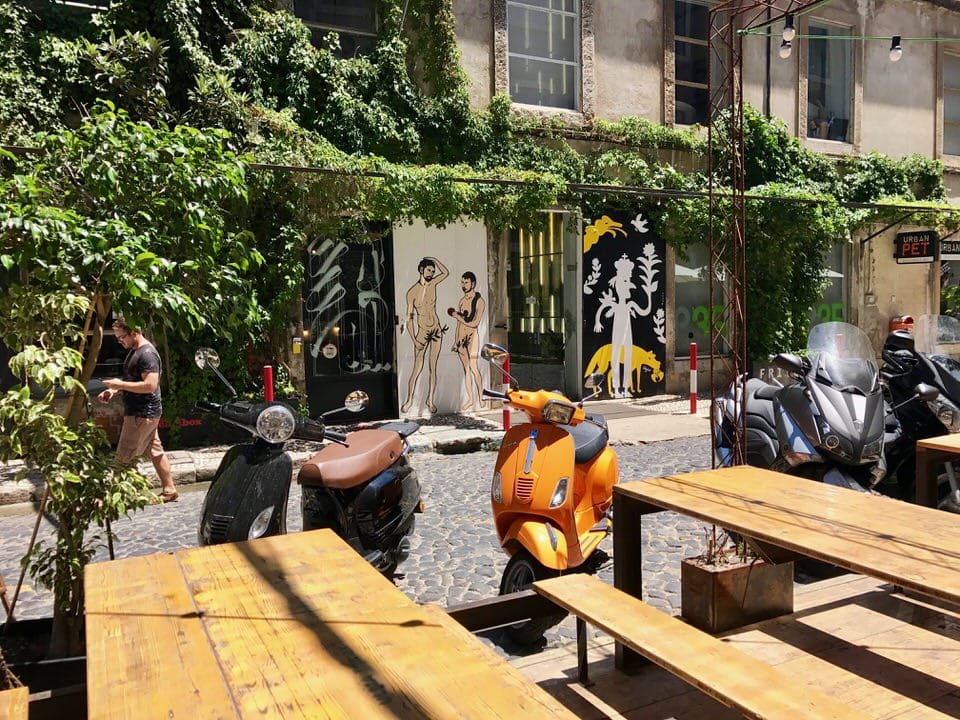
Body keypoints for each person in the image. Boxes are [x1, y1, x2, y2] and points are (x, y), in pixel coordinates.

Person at [97, 319, 177, 503]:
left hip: (142, 413)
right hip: (144, 412)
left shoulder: (147, 355)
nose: (119, 342)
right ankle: (169, 490)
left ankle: (108, 499)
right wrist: (113, 390)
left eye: (121, 337)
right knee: (155, 451)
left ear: (134, 333)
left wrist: (119, 385)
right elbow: (132, 380)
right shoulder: (135, 351)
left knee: (123, 457)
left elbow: (150, 385)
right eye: (117, 338)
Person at [401, 256, 449, 414]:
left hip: (436, 329)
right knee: (417, 367)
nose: (431, 273)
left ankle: (430, 399)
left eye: (433, 271)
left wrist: (434, 259)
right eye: (429, 270)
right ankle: (409, 400)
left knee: (433, 367)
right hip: (422, 331)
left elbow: (446, 272)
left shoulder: (432, 284)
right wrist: (414, 339)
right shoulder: (412, 292)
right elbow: (409, 318)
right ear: (421, 270)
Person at [448, 271, 486, 411]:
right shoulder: (462, 301)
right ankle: (470, 399)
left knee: (474, 368)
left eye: (466, 282)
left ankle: (481, 397)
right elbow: (459, 324)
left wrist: (458, 317)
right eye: (462, 282)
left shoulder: (479, 301)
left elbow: (475, 323)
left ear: (473, 284)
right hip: (461, 338)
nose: (464, 285)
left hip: (472, 337)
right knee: (466, 370)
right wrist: (456, 341)